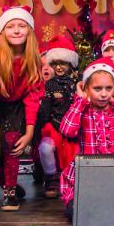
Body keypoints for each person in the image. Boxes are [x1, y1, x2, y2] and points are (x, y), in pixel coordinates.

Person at [59, 57, 114, 220]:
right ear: (86, 89)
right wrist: (80, 101)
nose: (104, 94)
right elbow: (67, 130)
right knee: (76, 213)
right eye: (97, 88)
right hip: (90, 172)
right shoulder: (83, 110)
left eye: (109, 88)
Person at [0, 5, 44, 211]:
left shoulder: (33, 59)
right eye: (10, 26)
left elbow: (33, 97)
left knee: (12, 142)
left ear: (29, 30)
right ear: (2, 32)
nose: (16, 30)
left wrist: (30, 131)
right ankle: (6, 183)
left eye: (22, 26)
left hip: (17, 107)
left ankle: (9, 193)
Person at [35, 35, 80, 198]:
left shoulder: (78, 83)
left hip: (74, 129)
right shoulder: (50, 84)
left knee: (75, 154)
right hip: (54, 126)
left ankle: (72, 180)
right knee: (45, 148)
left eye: (63, 63)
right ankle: (51, 177)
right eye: (55, 64)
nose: (59, 67)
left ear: (70, 63)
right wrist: (42, 126)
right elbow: (46, 109)